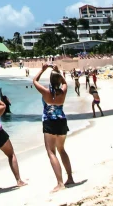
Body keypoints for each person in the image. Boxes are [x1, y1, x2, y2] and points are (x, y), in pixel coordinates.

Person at [32, 63, 75, 193]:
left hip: (49, 122)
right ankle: (70, 178)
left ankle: (60, 183)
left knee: (51, 152)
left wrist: (43, 69)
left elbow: (34, 80)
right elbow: (64, 82)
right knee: (62, 150)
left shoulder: (45, 92)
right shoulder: (63, 91)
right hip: (61, 121)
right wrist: (58, 72)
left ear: (50, 81)